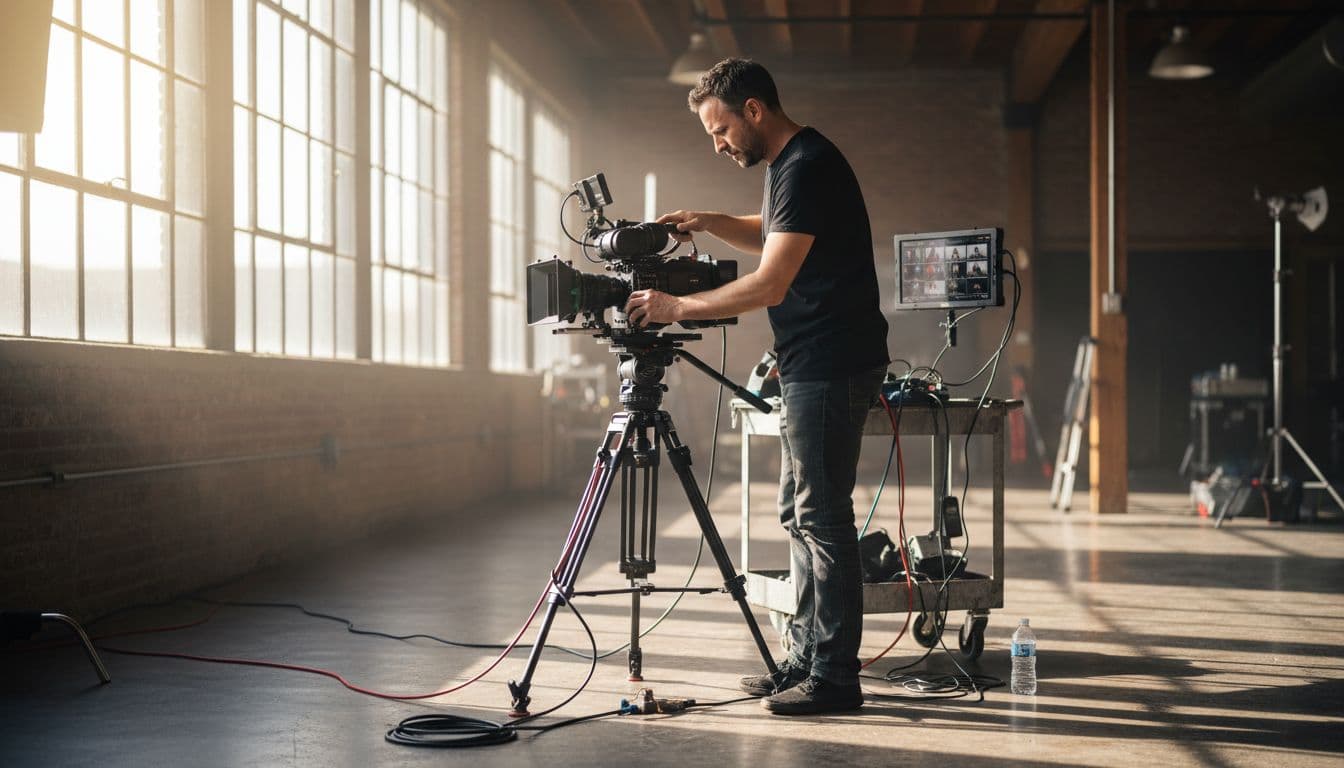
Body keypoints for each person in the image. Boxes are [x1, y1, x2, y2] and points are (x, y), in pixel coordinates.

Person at [623, 58, 888, 716]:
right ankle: (805, 657)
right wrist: (714, 220)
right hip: (810, 361)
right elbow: (775, 232)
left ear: (754, 111)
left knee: (823, 520)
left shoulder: (805, 165)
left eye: (719, 130)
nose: (716, 144)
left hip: (830, 361)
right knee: (800, 515)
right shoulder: (789, 168)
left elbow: (770, 281)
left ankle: (835, 677)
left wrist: (676, 309)